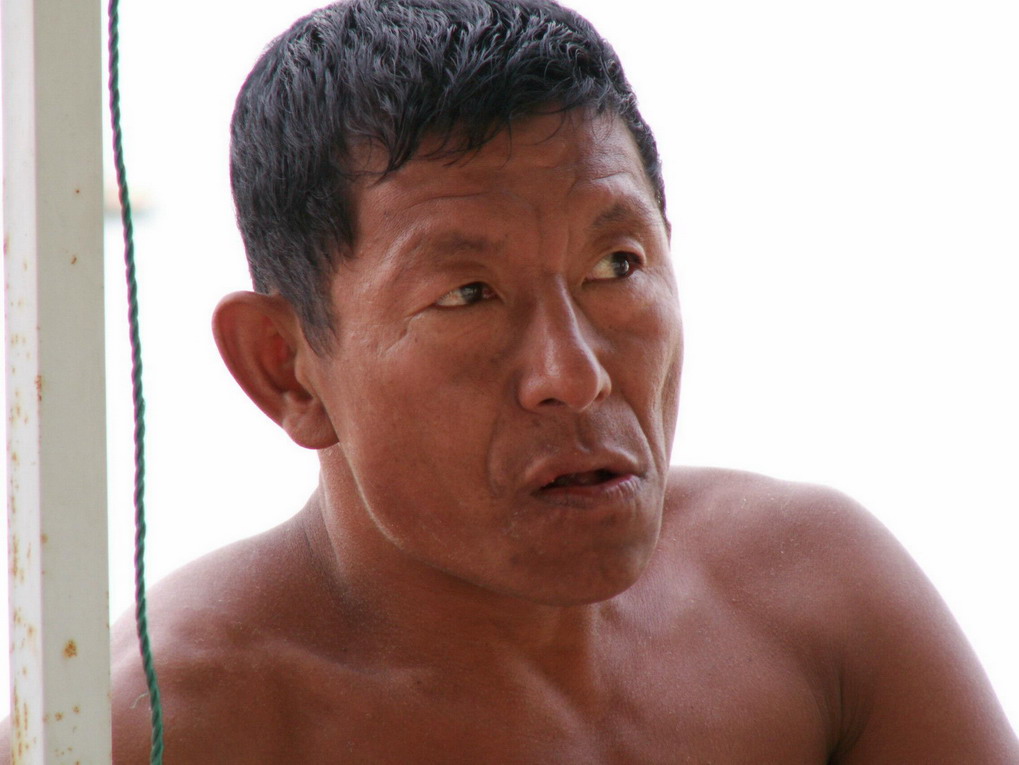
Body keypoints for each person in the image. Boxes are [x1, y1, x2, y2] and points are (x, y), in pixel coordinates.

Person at [4, 0, 1016, 761]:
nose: (573, 375)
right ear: (288, 369)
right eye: (467, 295)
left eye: (615, 265)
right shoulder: (161, 727)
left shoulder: (813, 597)